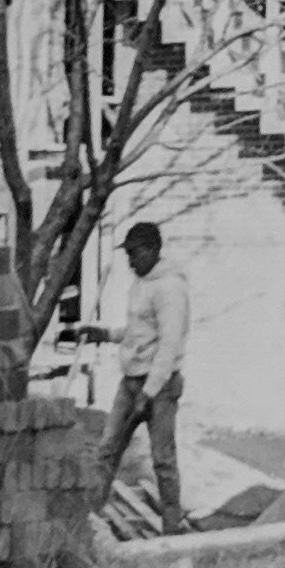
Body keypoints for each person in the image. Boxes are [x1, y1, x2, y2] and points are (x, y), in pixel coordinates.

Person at [77, 222, 190, 535]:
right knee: (107, 450)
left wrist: (149, 394)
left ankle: (171, 528)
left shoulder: (169, 288)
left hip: (160, 387)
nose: (130, 261)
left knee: (163, 460)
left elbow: (169, 345)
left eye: (135, 253)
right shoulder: (141, 282)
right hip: (131, 382)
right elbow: (140, 332)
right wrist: (105, 334)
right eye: (127, 254)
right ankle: (89, 520)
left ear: (153, 250)